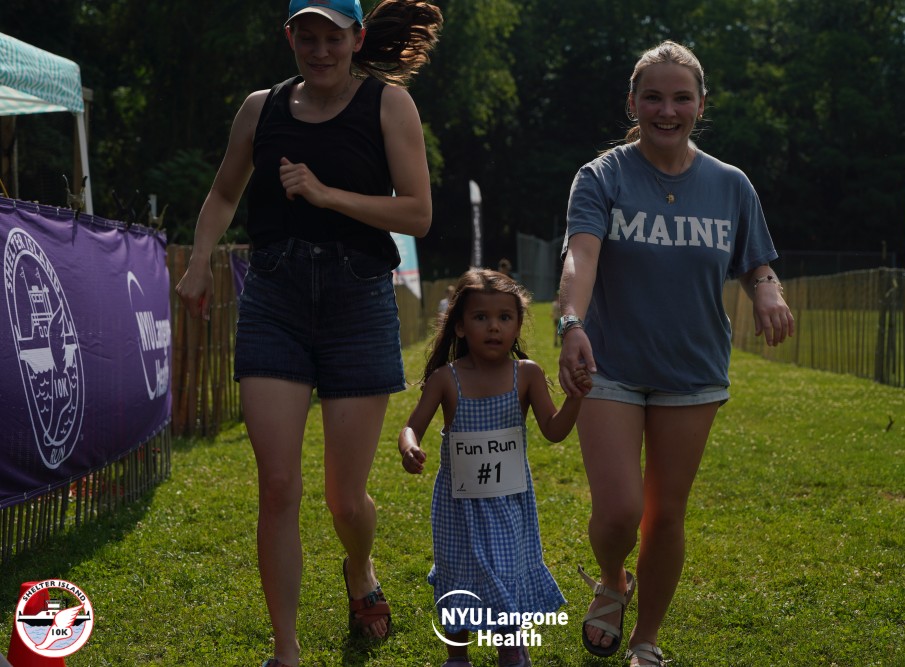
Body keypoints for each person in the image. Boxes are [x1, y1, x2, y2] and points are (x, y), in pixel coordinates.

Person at [174, 1, 442, 665]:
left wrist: (326, 195)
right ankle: (286, 650)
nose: (320, 51)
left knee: (345, 499)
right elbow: (223, 193)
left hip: (358, 300)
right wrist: (201, 259)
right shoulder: (259, 108)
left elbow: (417, 213)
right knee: (278, 486)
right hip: (276, 300)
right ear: (289, 36)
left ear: (356, 38)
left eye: (333, 38)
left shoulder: (388, 105)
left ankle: (360, 565)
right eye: (308, 37)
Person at [556, 40, 794, 667]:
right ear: (632, 103)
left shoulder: (730, 184)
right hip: (608, 363)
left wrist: (768, 290)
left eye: (681, 98)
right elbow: (581, 256)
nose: (668, 110)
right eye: (654, 97)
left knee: (665, 516)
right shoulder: (601, 176)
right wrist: (571, 321)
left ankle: (646, 640)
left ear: (701, 105)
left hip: (691, 370)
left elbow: (757, 263)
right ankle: (613, 579)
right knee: (619, 512)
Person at [398, 269, 592, 667]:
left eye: (505, 317)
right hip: (458, 506)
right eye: (480, 317)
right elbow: (411, 426)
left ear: (518, 325)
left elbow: (554, 431)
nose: (493, 327)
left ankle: (510, 651)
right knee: (457, 572)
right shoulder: (446, 379)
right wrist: (409, 447)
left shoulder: (527, 374)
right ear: (459, 327)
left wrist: (575, 398)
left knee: (505, 570)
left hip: (509, 502)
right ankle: (457, 657)